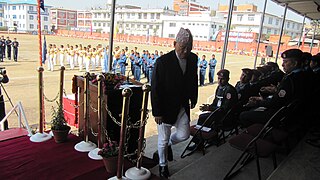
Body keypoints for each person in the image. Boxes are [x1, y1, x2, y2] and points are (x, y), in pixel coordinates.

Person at [151, 28, 198, 178]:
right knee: (162, 140)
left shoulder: (193, 59)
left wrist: (194, 97)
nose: (185, 51)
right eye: (182, 47)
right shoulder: (163, 62)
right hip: (165, 108)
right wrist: (156, 111)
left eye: (189, 48)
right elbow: (155, 88)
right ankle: (163, 165)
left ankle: (167, 147)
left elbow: (193, 79)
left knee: (184, 135)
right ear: (174, 44)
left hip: (182, 106)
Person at [240, 49, 307, 128]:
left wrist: (258, 102)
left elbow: (276, 102)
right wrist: (277, 90)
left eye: (286, 62)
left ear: (295, 63)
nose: (282, 65)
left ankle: (254, 135)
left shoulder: (290, 80)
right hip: (292, 114)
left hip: (280, 116)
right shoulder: (303, 75)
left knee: (244, 115)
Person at [188, 69, 238, 150]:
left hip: (225, 116)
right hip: (218, 112)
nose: (220, 81)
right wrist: (209, 107)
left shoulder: (229, 91)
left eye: (222, 79)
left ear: (228, 79)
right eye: (218, 78)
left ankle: (199, 143)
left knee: (203, 118)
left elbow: (225, 108)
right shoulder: (219, 87)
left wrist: (210, 108)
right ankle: (209, 139)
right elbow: (215, 101)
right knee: (204, 116)